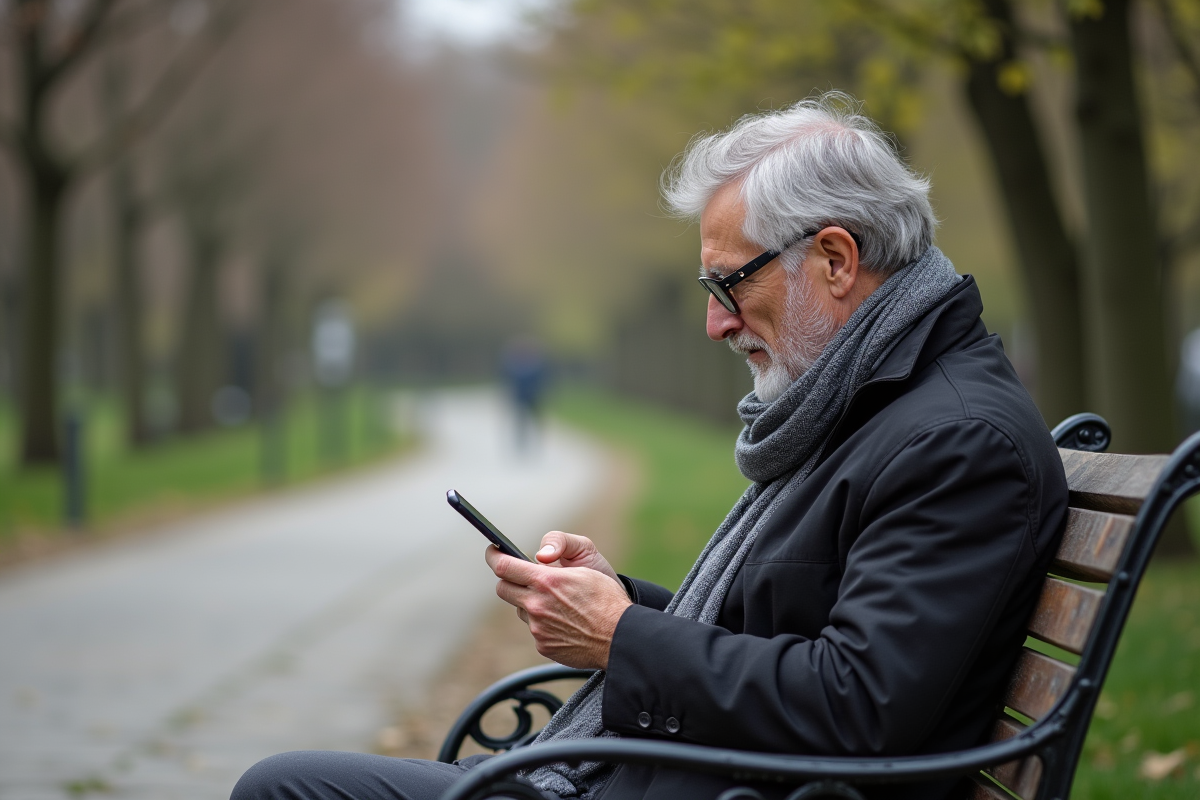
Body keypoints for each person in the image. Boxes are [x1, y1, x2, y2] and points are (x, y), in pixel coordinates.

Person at [232, 93, 1068, 800]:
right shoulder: (870, 403)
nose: (715, 322)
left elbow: (858, 707)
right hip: (668, 777)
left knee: (286, 788)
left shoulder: (956, 440)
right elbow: (788, 636)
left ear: (836, 259)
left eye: (728, 283)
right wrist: (617, 599)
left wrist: (622, 636)